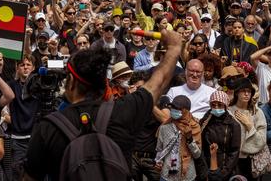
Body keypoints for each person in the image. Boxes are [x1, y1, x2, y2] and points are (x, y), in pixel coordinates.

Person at [24, 29, 183, 180]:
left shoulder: (48, 128)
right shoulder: (124, 111)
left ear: (71, 82)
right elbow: (159, 82)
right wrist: (174, 48)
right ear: (103, 82)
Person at [227, 78, 268, 181]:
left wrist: (249, 125)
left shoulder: (257, 112)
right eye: (243, 91)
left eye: (249, 91)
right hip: (231, 160)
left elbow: (261, 141)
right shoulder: (228, 112)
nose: (246, 94)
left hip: (252, 161)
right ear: (236, 93)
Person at [155, 95, 203, 181]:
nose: (174, 110)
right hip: (166, 175)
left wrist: (189, 138)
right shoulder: (165, 127)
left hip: (187, 176)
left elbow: (197, 154)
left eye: (178, 108)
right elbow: (159, 149)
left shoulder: (194, 127)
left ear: (186, 111)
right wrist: (159, 162)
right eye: (173, 107)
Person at [199, 90, 241, 180]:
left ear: (225, 106)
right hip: (207, 169)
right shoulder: (205, 123)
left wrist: (223, 173)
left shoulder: (233, 125)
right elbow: (201, 148)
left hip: (226, 171)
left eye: (220, 105)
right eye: (213, 105)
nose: (216, 108)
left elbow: (234, 152)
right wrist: (205, 172)